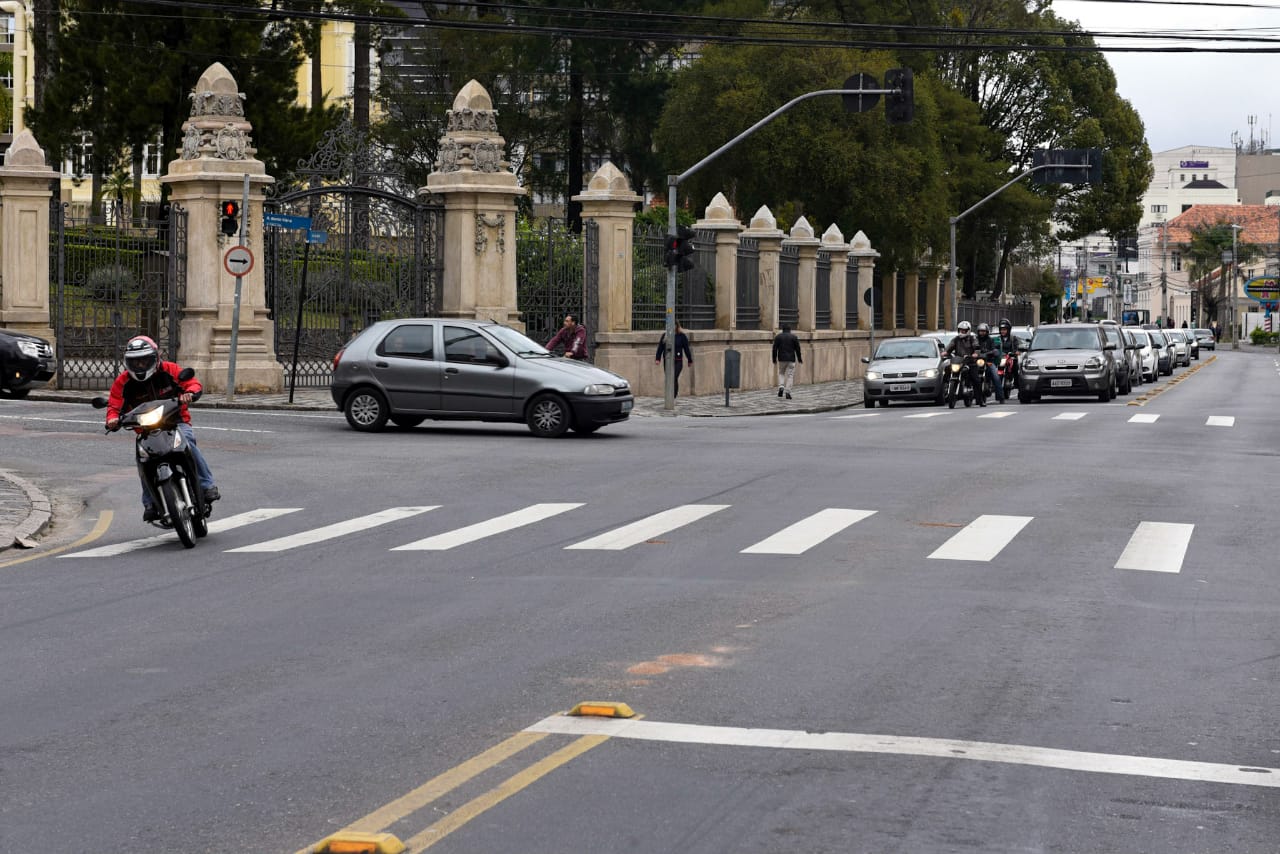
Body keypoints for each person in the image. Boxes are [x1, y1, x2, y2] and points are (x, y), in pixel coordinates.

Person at [105, 335, 219, 522]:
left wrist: (190, 393)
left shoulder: (170, 370)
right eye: (135, 362)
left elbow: (191, 383)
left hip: (176, 423)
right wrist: (112, 419)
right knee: (142, 457)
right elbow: (114, 405)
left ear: (155, 358)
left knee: (188, 441)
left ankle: (207, 485)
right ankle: (149, 502)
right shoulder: (123, 382)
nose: (140, 365)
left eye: (144, 360)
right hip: (146, 430)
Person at [944, 320, 985, 406]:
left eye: (964, 330)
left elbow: (977, 347)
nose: (962, 331)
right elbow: (949, 347)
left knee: (976, 380)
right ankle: (945, 391)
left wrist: (975, 353)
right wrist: (945, 352)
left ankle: (981, 400)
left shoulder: (972, 338)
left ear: (968, 330)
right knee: (946, 373)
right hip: (958, 362)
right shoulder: (956, 339)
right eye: (961, 330)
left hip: (970, 362)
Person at [655, 323, 694, 398]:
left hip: (678, 361)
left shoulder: (682, 336)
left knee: (673, 377)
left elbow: (686, 349)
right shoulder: (665, 335)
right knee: (669, 378)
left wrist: (690, 360)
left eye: (674, 325)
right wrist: (658, 358)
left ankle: (673, 395)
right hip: (667, 360)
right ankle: (672, 394)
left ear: (677, 326)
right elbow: (660, 347)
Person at [771, 323, 802, 399]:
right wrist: (799, 358)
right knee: (790, 375)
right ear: (790, 330)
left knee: (781, 373)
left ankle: (781, 386)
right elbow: (798, 349)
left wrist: (774, 358)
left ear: (783, 329)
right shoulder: (794, 337)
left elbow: (774, 349)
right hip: (791, 359)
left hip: (781, 359)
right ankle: (788, 391)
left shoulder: (778, 337)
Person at [975, 322, 1001, 404]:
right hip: (978, 362)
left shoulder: (990, 340)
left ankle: (1000, 396)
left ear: (987, 332)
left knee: (996, 377)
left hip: (988, 361)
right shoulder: (975, 340)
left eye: (983, 331)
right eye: (980, 331)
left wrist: (993, 352)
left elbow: (994, 349)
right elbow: (972, 348)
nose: (982, 333)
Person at [996, 318, 1019, 401]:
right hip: (1001, 358)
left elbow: (1016, 348)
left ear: (1008, 330)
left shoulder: (1013, 339)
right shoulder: (997, 339)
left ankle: (1017, 385)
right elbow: (994, 348)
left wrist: (1015, 352)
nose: (1003, 331)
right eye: (1001, 330)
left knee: (1015, 368)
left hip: (1010, 358)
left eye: (1005, 329)